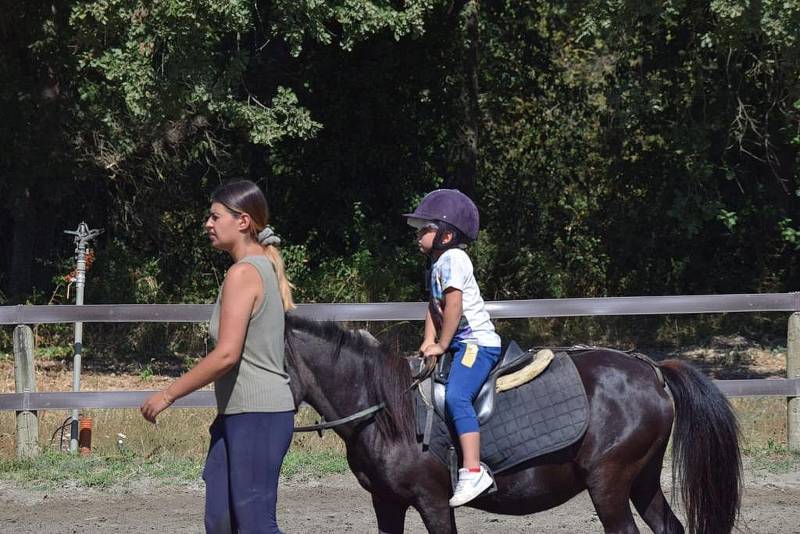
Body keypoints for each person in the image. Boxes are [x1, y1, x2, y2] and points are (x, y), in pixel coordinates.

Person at [140, 180, 296, 533]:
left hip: (258, 415)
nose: (207, 224)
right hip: (239, 415)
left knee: (255, 525)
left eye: (215, 217)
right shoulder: (256, 267)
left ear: (242, 221)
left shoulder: (244, 273)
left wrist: (168, 394)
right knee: (221, 520)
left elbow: (226, 354)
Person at [404, 188, 502, 507]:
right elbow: (435, 306)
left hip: (477, 344)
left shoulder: (454, 259)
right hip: (460, 344)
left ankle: (473, 470)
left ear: (446, 233)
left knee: (458, 395)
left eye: (425, 228)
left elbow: (455, 307)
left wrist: (442, 344)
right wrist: (428, 341)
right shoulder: (438, 263)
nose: (418, 234)